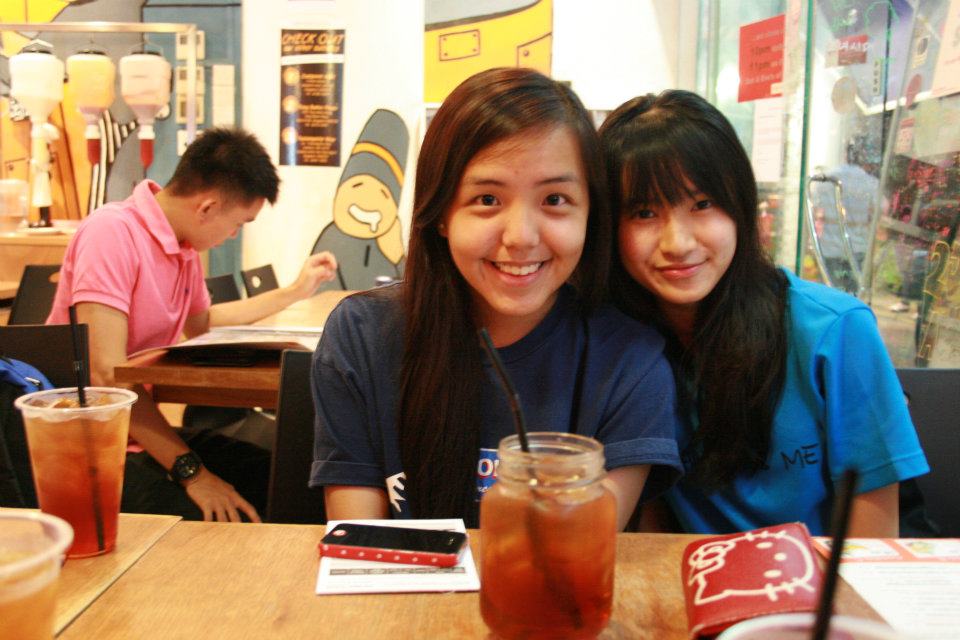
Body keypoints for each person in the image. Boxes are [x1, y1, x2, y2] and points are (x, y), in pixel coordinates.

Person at [310, 68, 682, 530]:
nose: (521, 236)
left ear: (591, 213)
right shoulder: (363, 336)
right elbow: (362, 547)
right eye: (487, 199)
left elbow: (578, 548)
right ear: (440, 213)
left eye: (555, 199)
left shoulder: (630, 362)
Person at [599, 90, 929, 537]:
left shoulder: (835, 331)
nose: (678, 242)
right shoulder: (619, 348)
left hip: (823, 580)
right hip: (692, 575)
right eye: (644, 212)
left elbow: (872, 546)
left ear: (739, 205)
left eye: (702, 204)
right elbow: (648, 527)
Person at [47, 127, 338, 522]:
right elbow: (106, 376)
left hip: (133, 433)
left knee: (280, 480)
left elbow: (203, 323)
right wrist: (193, 473)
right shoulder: (111, 232)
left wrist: (295, 291)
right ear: (207, 208)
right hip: (82, 442)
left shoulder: (182, 247)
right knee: (223, 515)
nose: (232, 235)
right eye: (238, 224)